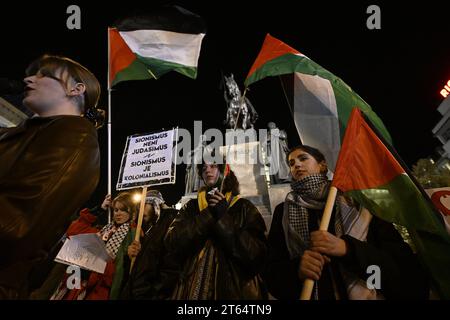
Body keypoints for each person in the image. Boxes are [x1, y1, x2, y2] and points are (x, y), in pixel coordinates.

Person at [263, 145, 429, 300]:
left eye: (303, 158)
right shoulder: (283, 211)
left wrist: (348, 249)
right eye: (291, 163)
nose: (296, 165)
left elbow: (397, 273)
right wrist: (297, 270)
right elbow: (273, 279)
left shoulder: (356, 202)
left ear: (322, 165)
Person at [0, 54, 104, 299]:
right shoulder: (21, 134)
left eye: (44, 75)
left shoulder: (74, 138)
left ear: (76, 89)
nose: (28, 79)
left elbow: (17, 223)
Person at [164, 160, 268, 299]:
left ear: (225, 171)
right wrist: (208, 214)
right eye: (203, 168)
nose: (207, 170)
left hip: (234, 291)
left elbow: (256, 255)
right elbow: (172, 242)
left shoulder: (244, 207)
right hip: (190, 287)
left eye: (213, 166)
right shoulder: (191, 207)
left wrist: (223, 218)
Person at [50, 192, 137, 300]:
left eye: (123, 210)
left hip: (96, 290)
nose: (118, 213)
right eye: (116, 210)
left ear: (132, 213)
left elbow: (118, 271)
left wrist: (99, 264)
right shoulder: (104, 229)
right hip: (77, 283)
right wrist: (100, 209)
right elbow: (73, 231)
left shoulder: (132, 236)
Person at [120, 190, 179, 299]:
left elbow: (169, 267)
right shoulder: (151, 228)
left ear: (155, 203)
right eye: (139, 207)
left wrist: (155, 295)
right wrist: (131, 256)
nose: (140, 211)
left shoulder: (172, 221)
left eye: (144, 204)